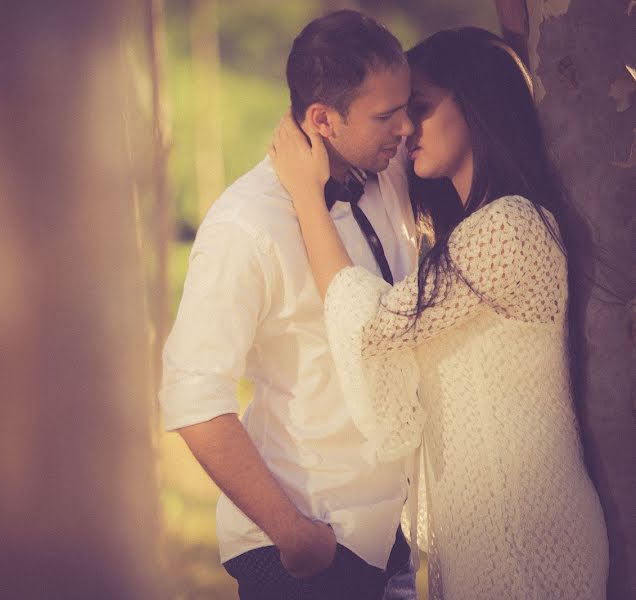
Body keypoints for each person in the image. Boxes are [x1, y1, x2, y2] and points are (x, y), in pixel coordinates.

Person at [269, 26, 609, 599]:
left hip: (525, 537)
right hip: (491, 530)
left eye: (419, 109)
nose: (405, 131)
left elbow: (375, 326)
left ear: (475, 106)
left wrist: (307, 198)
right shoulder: (471, 232)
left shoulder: (509, 226)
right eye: (396, 116)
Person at [159, 10, 419, 600]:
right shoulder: (244, 224)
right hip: (307, 550)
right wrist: (294, 535)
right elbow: (193, 396)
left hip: (395, 542)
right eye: (386, 115)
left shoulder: (390, 171)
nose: (406, 128)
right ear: (322, 119)